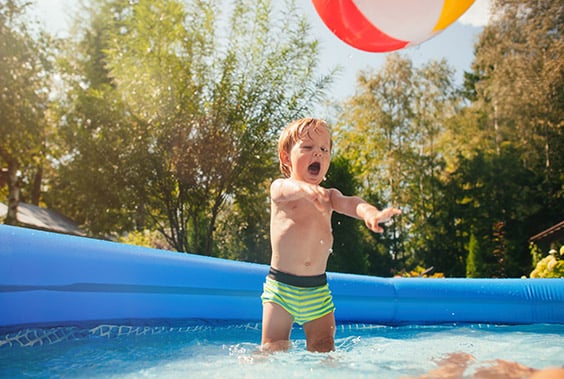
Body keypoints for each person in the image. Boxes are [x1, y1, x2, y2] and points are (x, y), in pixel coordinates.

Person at [260, 118, 402, 353]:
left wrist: (371, 213)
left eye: (324, 149)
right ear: (286, 157)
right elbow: (287, 189)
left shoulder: (329, 196)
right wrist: (304, 189)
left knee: (324, 348)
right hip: (281, 289)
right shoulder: (281, 188)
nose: (318, 153)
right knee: (272, 349)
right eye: (307, 148)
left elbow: (351, 203)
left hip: (317, 290)